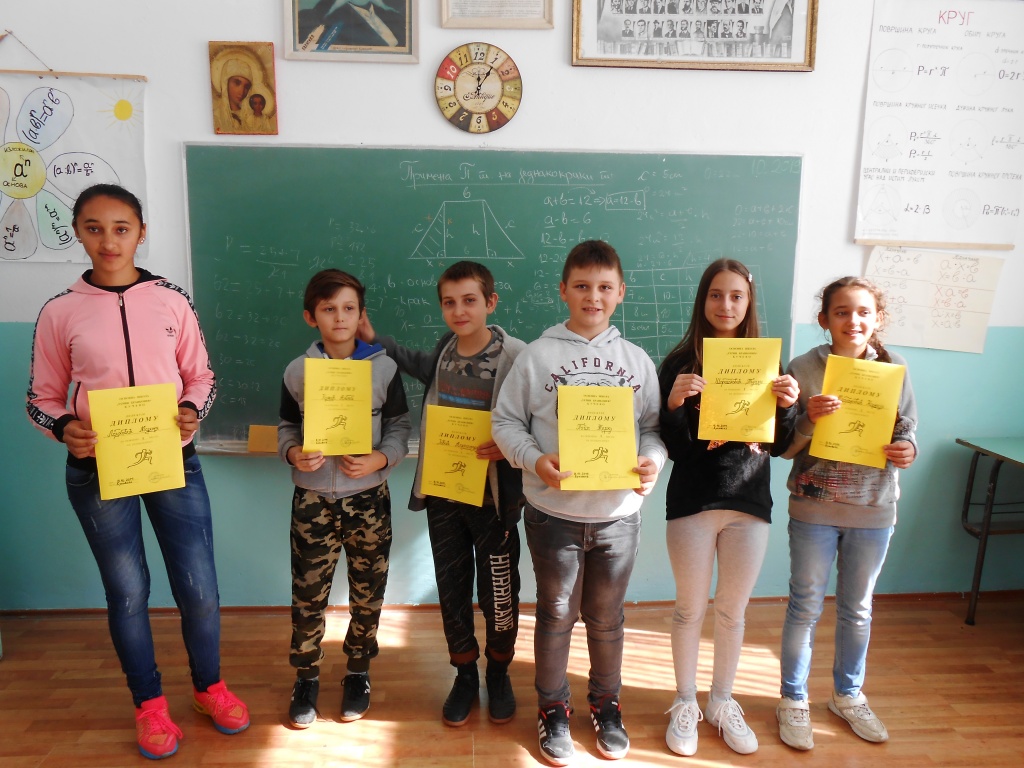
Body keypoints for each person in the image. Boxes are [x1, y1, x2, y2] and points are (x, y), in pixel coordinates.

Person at [25, 183, 249, 760]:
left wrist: (191, 410)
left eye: (121, 228)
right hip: (97, 469)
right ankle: (149, 704)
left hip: (173, 461)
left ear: (141, 233)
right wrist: (63, 428)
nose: (109, 241)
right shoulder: (60, 311)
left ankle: (209, 688)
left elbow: (202, 377)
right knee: (128, 593)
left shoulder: (171, 300)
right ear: (78, 233)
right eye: (94, 228)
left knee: (199, 587)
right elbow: (41, 397)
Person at [492, 240, 667, 765]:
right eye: (583, 286)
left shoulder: (637, 361)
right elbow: (506, 422)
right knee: (555, 615)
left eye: (605, 287)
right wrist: (532, 460)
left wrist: (651, 462)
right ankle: (552, 708)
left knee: (607, 618)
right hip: (553, 515)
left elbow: (653, 430)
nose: (594, 296)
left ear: (621, 293)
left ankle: (606, 704)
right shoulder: (536, 357)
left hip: (617, 518)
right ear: (563, 290)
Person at [359, 261, 526, 727]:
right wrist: (374, 339)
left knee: (499, 594)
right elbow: (413, 362)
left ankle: (498, 672)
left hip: (493, 500)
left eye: (469, 300)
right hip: (444, 494)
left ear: (491, 302)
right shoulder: (444, 350)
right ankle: (465, 674)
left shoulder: (516, 356)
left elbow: (541, 413)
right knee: (452, 591)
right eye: (449, 303)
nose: (459, 311)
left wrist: (511, 446)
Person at [658, 260, 799, 757]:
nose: (726, 305)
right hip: (693, 504)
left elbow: (778, 446)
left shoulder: (768, 362)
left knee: (733, 612)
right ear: (703, 300)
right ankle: (684, 702)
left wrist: (788, 407)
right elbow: (673, 449)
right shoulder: (680, 363)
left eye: (736, 296)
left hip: (748, 505)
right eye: (716, 295)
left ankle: (721, 701)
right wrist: (674, 407)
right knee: (688, 609)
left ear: (749, 302)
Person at [776, 277, 918, 751]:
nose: (852, 321)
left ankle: (848, 695)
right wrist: (809, 418)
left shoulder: (895, 367)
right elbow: (785, 448)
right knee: (805, 605)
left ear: (878, 318)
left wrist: (907, 449)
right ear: (824, 319)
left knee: (857, 609)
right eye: (841, 312)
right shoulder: (803, 367)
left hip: (874, 508)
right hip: (814, 506)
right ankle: (793, 698)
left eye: (863, 312)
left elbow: (907, 430)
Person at [278, 269, 411, 728]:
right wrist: (293, 453)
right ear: (311, 316)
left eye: (349, 308)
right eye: (329, 309)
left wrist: (380, 458)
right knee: (308, 593)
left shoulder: (384, 369)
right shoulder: (297, 371)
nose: (339, 317)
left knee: (368, 590)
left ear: (361, 315)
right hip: (312, 500)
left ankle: (357, 670)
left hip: (368, 499)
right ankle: (306, 676)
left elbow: (399, 427)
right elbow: (286, 428)